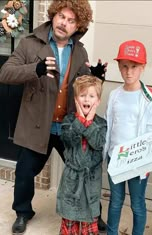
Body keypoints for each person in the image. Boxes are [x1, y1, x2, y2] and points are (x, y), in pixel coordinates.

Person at [0, 0, 107, 234]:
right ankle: (22, 212)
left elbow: (82, 85)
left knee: (83, 170)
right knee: (25, 172)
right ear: (53, 15)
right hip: (37, 123)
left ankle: (93, 212)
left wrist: (95, 76)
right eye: (61, 17)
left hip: (68, 125)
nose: (64, 23)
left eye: (71, 20)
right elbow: (5, 72)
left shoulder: (80, 51)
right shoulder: (29, 44)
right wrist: (34, 69)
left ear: (78, 25)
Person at [104, 40, 152, 235]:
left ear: (143, 68)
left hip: (137, 160)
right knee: (115, 201)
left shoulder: (150, 98)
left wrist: (145, 161)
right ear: (119, 67)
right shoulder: (114, 95)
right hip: (116, 157)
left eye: (134, 67)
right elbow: (110, 124)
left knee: (137, 203)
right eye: (124, 66)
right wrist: (107, 153)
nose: (129, 72)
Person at [56, 75, 107, 235]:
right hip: (72, 180)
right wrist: (80, 120)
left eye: (91, 96)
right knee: (70, 219)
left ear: (98, 101)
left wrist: (90, 121)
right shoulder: (68, 121)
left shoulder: (101, 123)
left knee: (88, 221)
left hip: (90, 180)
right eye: (82, 95)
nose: (87, 99)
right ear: (76, 99)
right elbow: (68, 140)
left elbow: (98, 143)